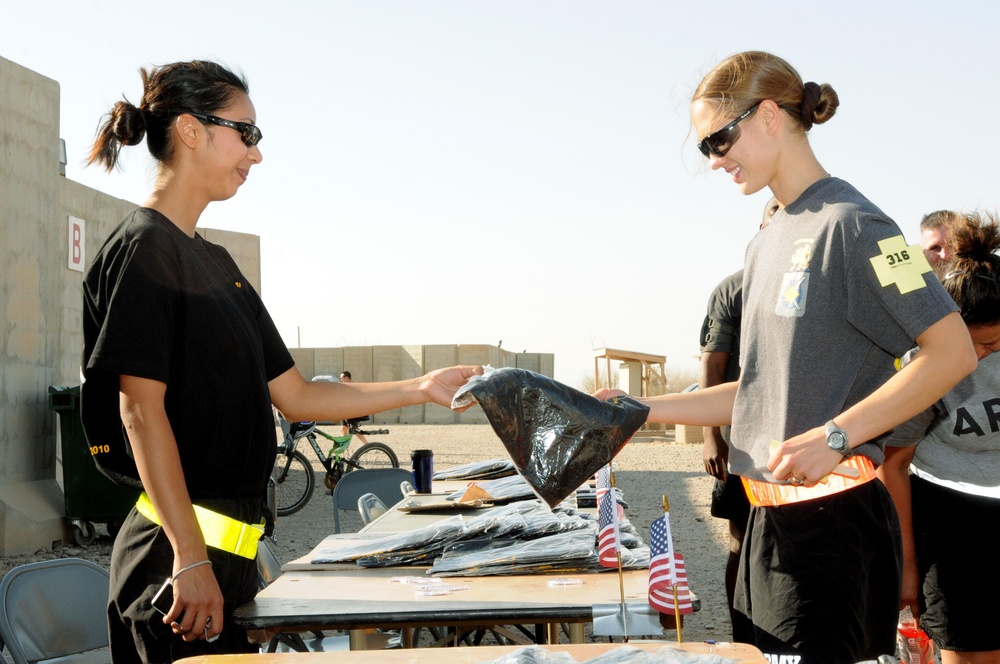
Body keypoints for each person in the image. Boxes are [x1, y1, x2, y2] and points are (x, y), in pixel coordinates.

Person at [80, 60, 481, 662]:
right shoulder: (143, 251)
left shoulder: (216, 264)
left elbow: (296, 395)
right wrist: (190, 557)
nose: (256, 154)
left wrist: (423, 387)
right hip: (175, 570)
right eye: (247, 133)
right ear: (192, 131)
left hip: (230, 566)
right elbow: (140, 413)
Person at [598, 51, 976, 661]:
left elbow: (953, 349)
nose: (715, 159)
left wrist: (835, 432)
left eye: (719, 139)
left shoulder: (864, 228)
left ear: (770, 114)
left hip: (834, 529)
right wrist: (639, 406)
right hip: (766, 529)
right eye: (705, 149)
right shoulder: (766, 239)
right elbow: (757, 390)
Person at [879, 212, 1000, 664]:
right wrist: (906, 563)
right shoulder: (924, 364)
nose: (977, 358)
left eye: (991, 345)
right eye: (970, 344)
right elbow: (893, 465)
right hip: (953, 525)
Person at [698, 197, 776, 643]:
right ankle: (742, 637)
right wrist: (712, 438)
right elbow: (712, 365)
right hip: (742, 442)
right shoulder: (734, 289)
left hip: (800, 442)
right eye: (772, 218)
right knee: (741, 540)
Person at [339, 371, 369, 444]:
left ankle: (367, 444)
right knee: (344, 428)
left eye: (342, 378)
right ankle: (345, 445)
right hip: (346, 411)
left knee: (354, 429)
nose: (341, 380)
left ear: (347, 377)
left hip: (351, 411)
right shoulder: (344, 387)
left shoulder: (353, 386)